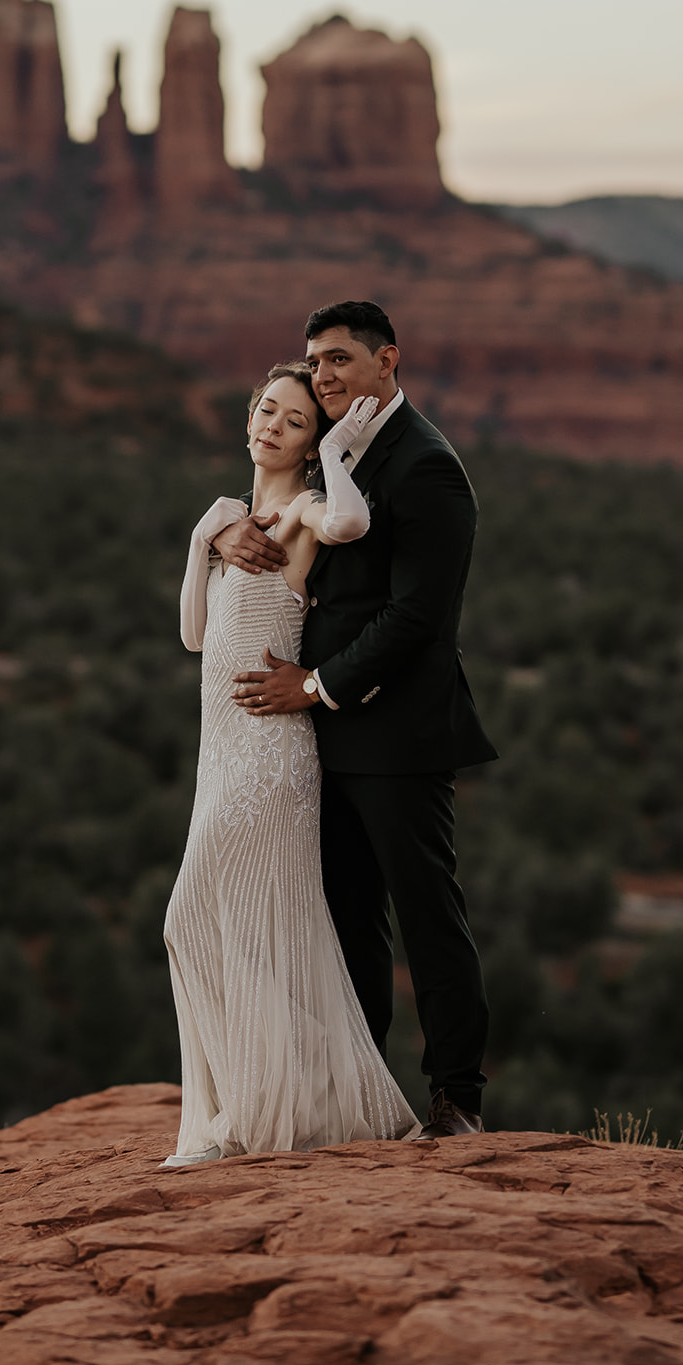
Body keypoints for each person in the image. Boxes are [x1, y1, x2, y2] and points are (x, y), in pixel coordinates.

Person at [216, 301, 497, 1140]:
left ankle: (457, 1096)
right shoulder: (334, 454)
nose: (326, 374)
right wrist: (224, 538)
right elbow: (270, 513)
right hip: (319, 734)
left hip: (397, 730)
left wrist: (315, 687)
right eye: (314, 361)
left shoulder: (426, 467)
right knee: (344, 916)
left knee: (424, 913)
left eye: (340, 359)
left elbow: (418, 618)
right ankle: (360, 1092)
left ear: (388, 361)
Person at [163, 363, 417, 1164]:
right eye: (266, 410)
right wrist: (203, 531)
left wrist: (338, 457)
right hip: (221, 752)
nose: (274, 424)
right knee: (238, 926)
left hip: (271, 755)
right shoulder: (234, 519)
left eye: (295, 421)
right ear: (248, 418)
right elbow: (193, 635)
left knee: (196, 918)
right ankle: (268, 1105)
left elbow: (349, 525)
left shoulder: (303, 509)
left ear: (308, 444)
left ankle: (249, 1115)